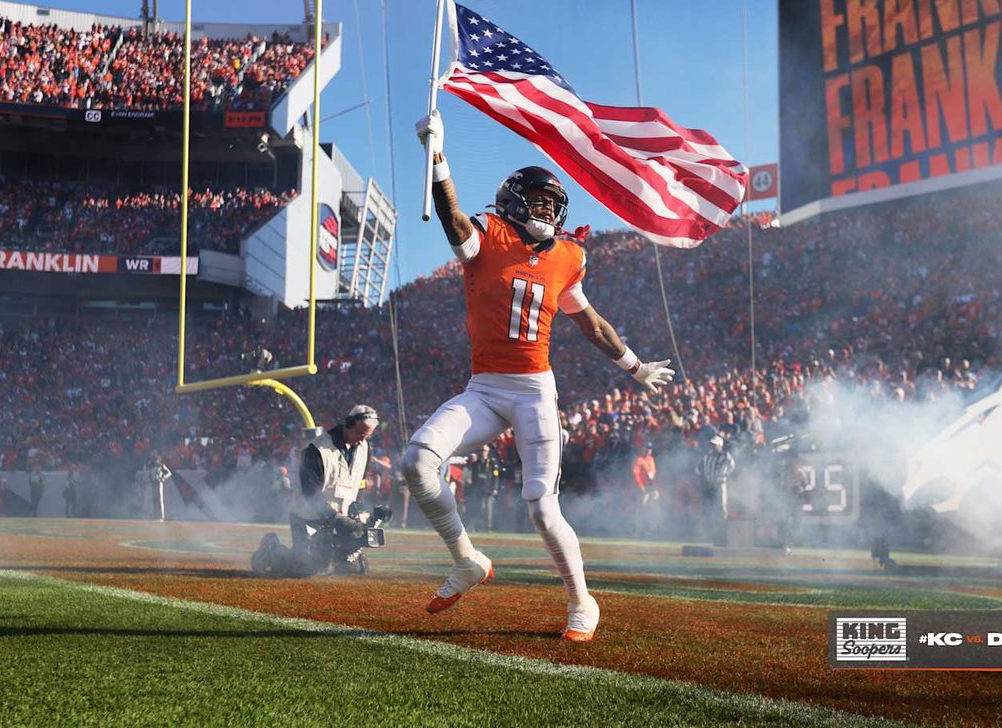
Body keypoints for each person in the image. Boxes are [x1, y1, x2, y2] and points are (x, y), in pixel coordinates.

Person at [404, 111, 676, 642]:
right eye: (538, 201)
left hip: (533, 390)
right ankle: (467, 560)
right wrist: (436, 155)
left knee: (541, 507)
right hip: (485, 388)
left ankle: (581, 600)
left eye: (553, 204)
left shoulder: (568, 256)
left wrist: (635, 366)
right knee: (417, 461)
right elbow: (452, 219)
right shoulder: (488, 235)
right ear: (511, 201)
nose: (547, 210)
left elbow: (591, 324)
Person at [298, 404, 381, 574]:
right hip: (311, 518)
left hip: (342, 519)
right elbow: (310, 493)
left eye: (367, 436)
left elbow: (360, 482)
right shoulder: (317, 450)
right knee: (308, 569)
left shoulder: (365, 448)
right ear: (348, 424)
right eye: (360, 433)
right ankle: (271, 550)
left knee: (356, 570)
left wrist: (358, 509)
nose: (362, 440)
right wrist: (334, 517)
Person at [697, 435, 736, 546]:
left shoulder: (725, 456)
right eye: (712, 445)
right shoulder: (707, 456)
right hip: (708, 485)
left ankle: (722, 534)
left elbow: (732, 466)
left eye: (715, 445)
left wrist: (724, 476)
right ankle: (707, 533)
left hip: (719, 485)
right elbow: (699, 468)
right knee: (706, 509)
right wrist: (703, 478)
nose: (712, 447)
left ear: (720, 446)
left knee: (720, 508)